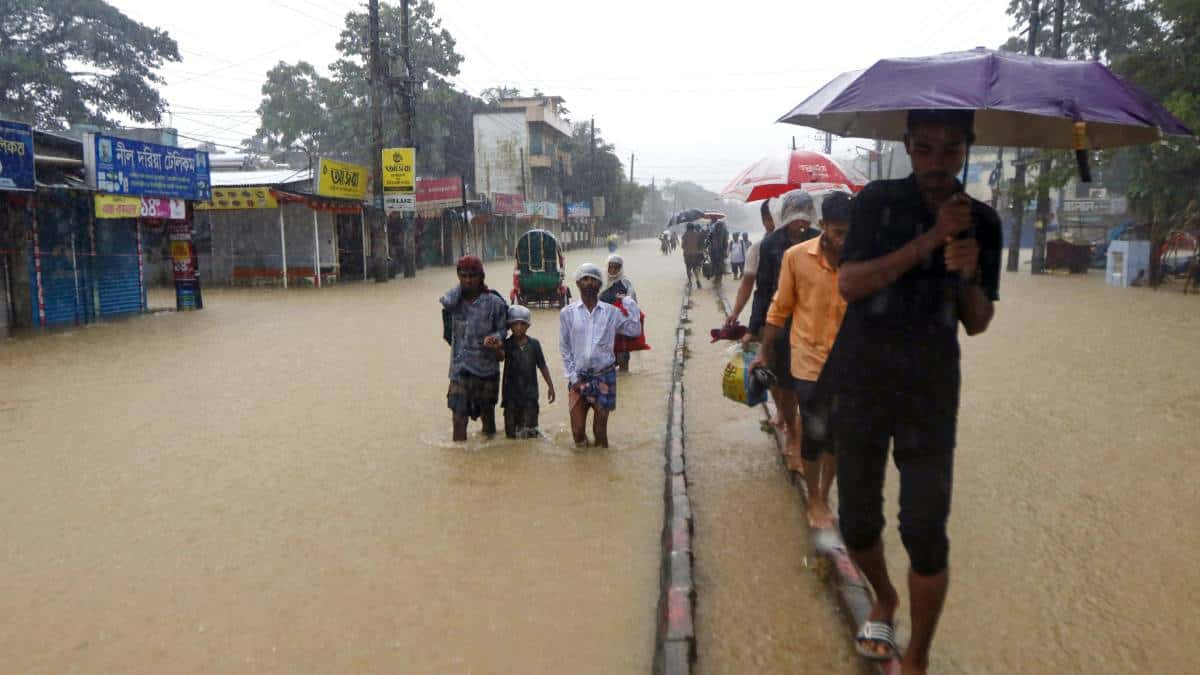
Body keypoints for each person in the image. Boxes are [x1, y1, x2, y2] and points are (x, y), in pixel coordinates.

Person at [821, 109, 1001, 673]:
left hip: (931, 389)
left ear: (967, 149)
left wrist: (967, 274)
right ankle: (884, 596)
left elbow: (977, 322)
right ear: (907, 147)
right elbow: (850, 284)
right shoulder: (875, 202)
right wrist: (930, 240)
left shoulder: (985, 223)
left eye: (950, 151)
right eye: (925, 149)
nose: (937, 162)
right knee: (856, 522)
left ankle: (918, 655)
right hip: (862, 381)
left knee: (925, 531)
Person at [751, 191, 852, 529]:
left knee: (837, 436)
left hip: (845, 363)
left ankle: (824, 491)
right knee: (814, 431)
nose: (843, 240)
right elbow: (777, 307)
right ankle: (814, 499)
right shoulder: (794, 257)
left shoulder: (862, 260)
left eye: (850, 233)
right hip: (806, 359)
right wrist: (764, 349)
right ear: (823, 226)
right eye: (838, 232)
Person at [747, 190, 821, 473]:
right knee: (785, 383)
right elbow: (763, 290)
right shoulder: (771, 245)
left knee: (810, 384)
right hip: (780, 323)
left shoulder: (821, 240)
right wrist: (755, 327)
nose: (801, 223)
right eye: (796, 216)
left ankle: (803, 431)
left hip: (812, 323)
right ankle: (792, 428)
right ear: (786, 216)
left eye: (805, 216)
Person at [560, 263, 644, 447]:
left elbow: (634, 330)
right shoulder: (567, 313)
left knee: (600, 432)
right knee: (577, 432)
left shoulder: (611, 312)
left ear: (599, 285)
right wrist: (572, 377)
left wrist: (630, 303)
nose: (589, 283)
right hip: (578, 377)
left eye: (594, 279)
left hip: (604, 377)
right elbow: (565, 348)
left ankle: (600, 465)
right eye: (585, 279)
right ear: (578, 283)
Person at [440, 255, 509, 442]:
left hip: (486, 370)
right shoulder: (454, 302)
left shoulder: (494, 303)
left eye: (473, 276)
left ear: (481, 277)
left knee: (488, 421)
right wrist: (460, 289)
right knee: (458, 420)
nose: (468, 280)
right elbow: (445, 303)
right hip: (460, 370)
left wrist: (494, 339)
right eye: (463, 276)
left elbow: (503, 330)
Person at [501, 305, 556, 438]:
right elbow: (498, 357)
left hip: (530, 396)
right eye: (515, 324)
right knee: (511, 435)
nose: (519, 327)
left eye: (522, 324)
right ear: (510, 326)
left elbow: (542, 365)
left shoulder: (534, 345)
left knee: (530, 433)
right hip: (510, 397)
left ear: (528, 326)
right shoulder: (506, 345)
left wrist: (550, 386)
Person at [601, 253, 639, 372]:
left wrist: (624, 299)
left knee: (623, 363)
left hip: (621, 331)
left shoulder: (626, 284)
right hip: (604, 331)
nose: (612, 270)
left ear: (620, 268)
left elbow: (633, 304)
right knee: (604, 366)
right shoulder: (601, 284)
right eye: (610, 267)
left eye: (616, 267)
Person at [681, 222, 705, 288]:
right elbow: (700, 245)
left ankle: (690, 282)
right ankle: (698, 281)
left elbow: (683, 246)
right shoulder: (697, 234)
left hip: (687, 255)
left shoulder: (685, 235)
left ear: (687, 228)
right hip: (696, 254)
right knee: (695, 269)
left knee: (688, 268)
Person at [706, 219, 730, 286]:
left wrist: (707, 248)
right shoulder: (725, 232)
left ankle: (717, 279)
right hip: (719, 251)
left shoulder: (712, 231)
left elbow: (708, 241)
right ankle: (718, 279)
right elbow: (726, 243)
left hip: (714, 251)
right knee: (719, 265)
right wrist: (725, 251)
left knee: (715, 265)